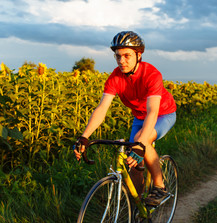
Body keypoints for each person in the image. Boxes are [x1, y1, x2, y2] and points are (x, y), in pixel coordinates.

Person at [73, 31, 177, 206]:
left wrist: (141, 144)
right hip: (139, 117)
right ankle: (139, 202)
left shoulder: (151, 74)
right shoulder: (115, 78)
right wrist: (85, 136)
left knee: (140, 141)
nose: (121, 61)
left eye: (127, 56)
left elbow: (152, 111)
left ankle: (160, 187)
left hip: (163, 114)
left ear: (138, 55)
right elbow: (101, 109)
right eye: (118, 56)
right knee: (133, 162)